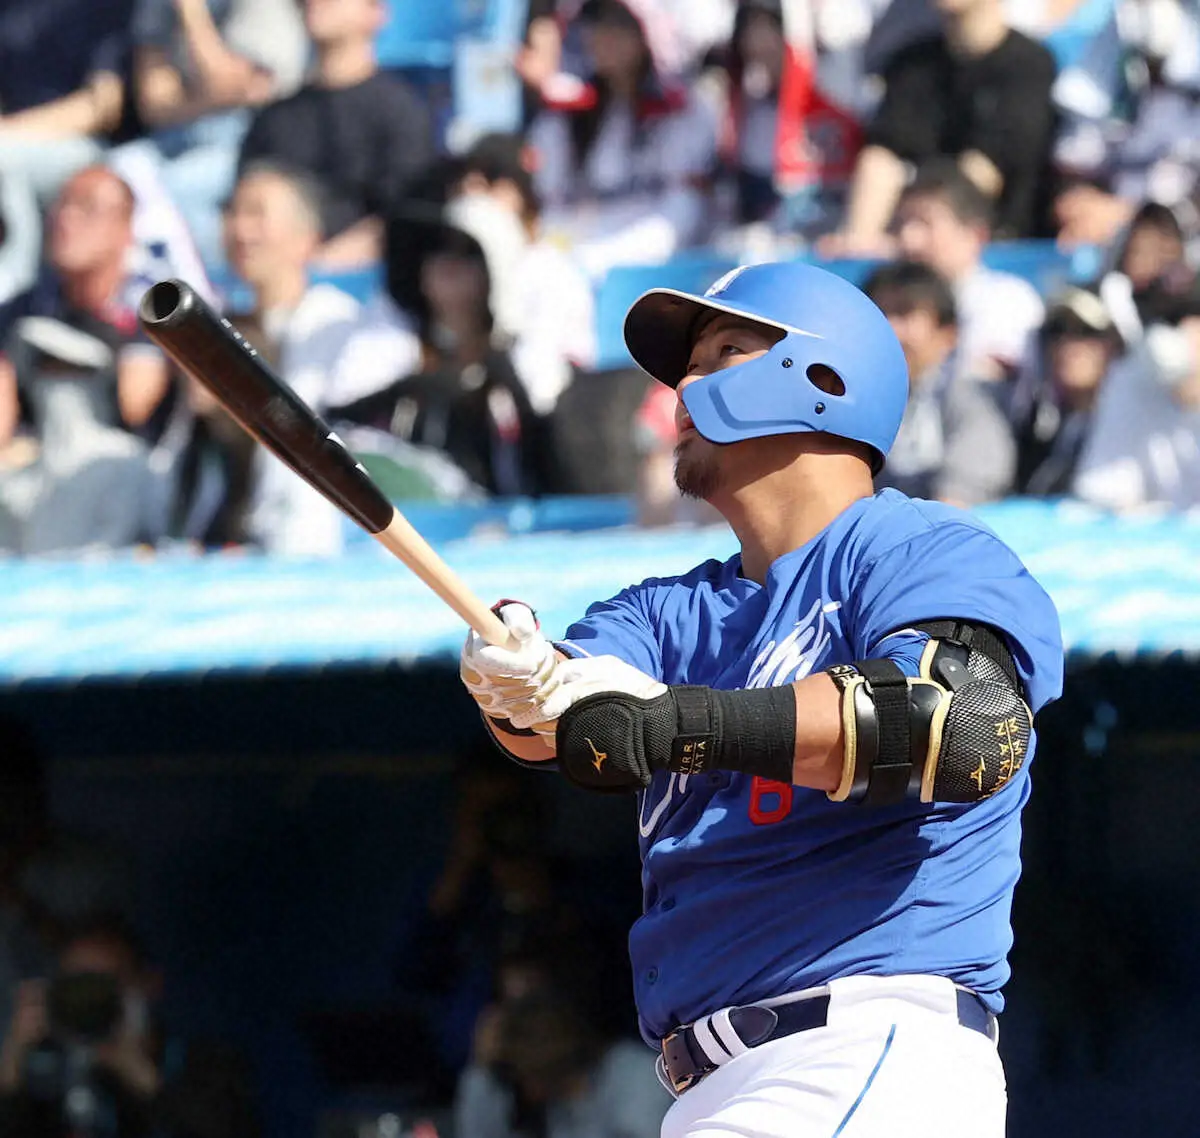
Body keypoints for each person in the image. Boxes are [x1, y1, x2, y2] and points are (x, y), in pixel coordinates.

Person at [458, 259, 1064, 1137]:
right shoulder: (667, 611)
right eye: (686, 367)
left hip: (861, 1046)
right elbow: (560, 722)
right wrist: (517, 676)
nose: (683, 388)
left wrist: (680, 725)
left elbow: (966, 725)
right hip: (716, 1084)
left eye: (723, 354)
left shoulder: (916, 547)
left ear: (825, 378)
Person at [154, 161, 412, 554]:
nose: (240, 229)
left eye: (257, 213)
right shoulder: (218, 330)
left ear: (307, 237)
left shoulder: (339, 326)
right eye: (233, 212)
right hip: (233, 543)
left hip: (326, 542)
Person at [0, 166, 171, 555]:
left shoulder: (152, 308)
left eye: (87, 209)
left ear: (125, 229)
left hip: (126, 484)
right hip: (39, 480)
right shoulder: (21, 313)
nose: (67, 220)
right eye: (62, 206)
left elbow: (135, 406)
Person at [821, 0, 1057, 255]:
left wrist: (915, 233)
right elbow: (883, 155)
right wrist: (861, 239)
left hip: (1000, 247)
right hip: (912, 238)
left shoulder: (1030, 66)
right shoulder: (912, 64)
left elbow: (986, 169)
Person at [0, 918, 261, 1138]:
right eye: (76, 990)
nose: (91, 1004)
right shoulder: (53, 1074)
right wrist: (12, 1058)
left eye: (103, 988)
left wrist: (140, 1074)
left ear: (148, 985)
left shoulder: (207, 1064)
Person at [238, 0, 436, 269]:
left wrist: (323, 263)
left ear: (375, 12)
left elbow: (406, 214)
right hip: (283, 279)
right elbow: (247, 203)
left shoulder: (402, 112)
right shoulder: (274, 118)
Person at [528, 0, 718, 279]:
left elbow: (683, 211)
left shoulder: (685, 112)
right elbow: (555, 203)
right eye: (595, 24)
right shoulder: (567, 117)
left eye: (618, 25)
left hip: (657, 268)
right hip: (581, 260)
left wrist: (611, 258)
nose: (603, 36)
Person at [125, 0, 310, 266]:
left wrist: (191, 11)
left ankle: (200, 299)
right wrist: (216, 94)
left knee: (162, 197)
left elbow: (229, 84)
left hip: (243, 139)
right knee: (115, 177)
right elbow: (153, 104)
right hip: (167, 138)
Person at [445, 133, 597, 417]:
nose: (471, 195)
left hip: (543, 427)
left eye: (489, 183)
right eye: (464, 183)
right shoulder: (446, 270)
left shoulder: (552, 272)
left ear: (520, 194)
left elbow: (541, 387)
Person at [864, 259, 1016, 506]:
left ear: (948, 333)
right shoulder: (853, 398)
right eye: (880, 313)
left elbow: (960, 501)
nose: (890, 329)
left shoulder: (970, 395)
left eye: (904, 313)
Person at [892, 162, 1046, 381]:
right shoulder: (884, 304)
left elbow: (985, 388)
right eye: (899, 224)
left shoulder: (1007, 300)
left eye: (925, 223)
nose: (908, 240)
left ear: (975, 235)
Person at [1009, 286, 1123, 496]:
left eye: (1086, 331)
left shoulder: (1133, 428)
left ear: (1115, 344)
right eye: (1057, 331)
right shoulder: (1036, 427)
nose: (1068, 345)